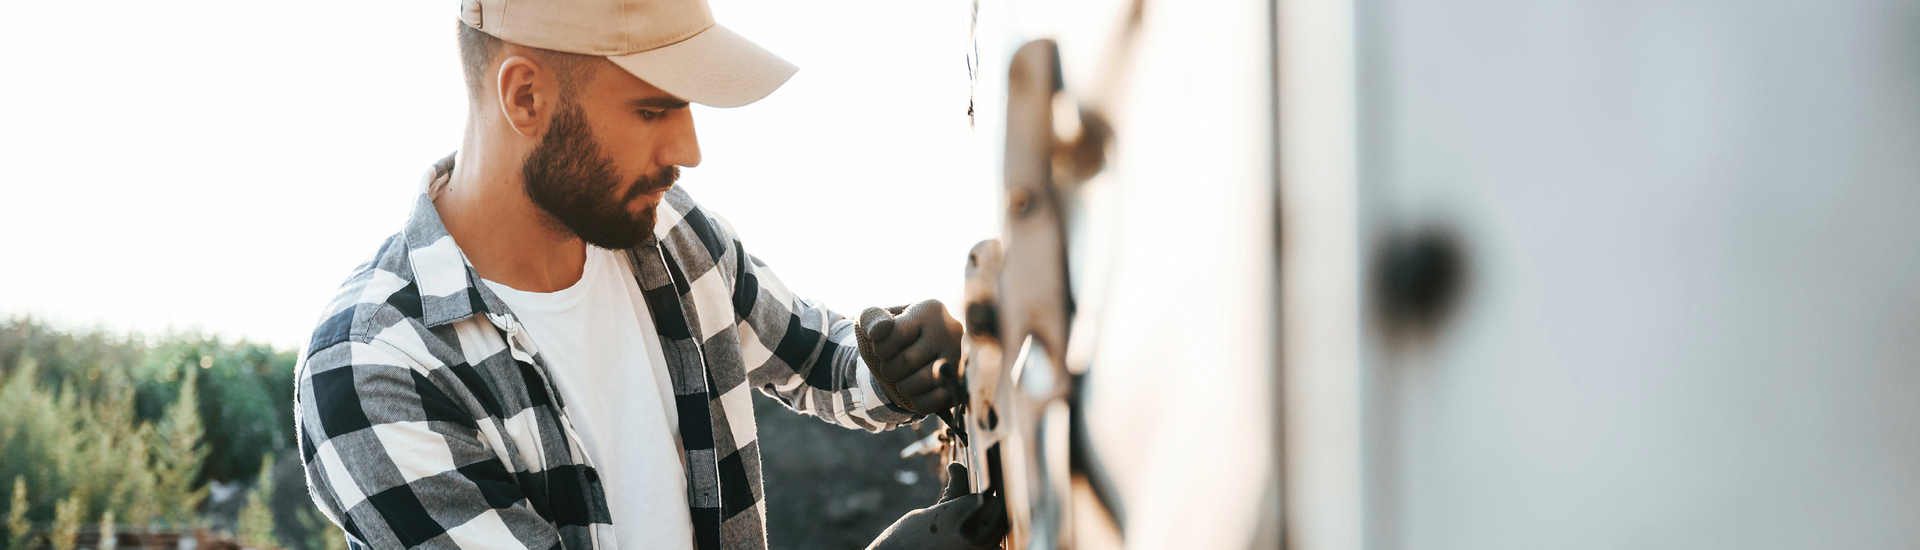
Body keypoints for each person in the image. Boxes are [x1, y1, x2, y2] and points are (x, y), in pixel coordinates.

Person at [291, 0, 966, 548]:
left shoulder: (668, 230)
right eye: (654, 109)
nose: (689, 150)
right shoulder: (371, 371)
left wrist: (896, 365)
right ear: (526, 97)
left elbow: (817, 361)